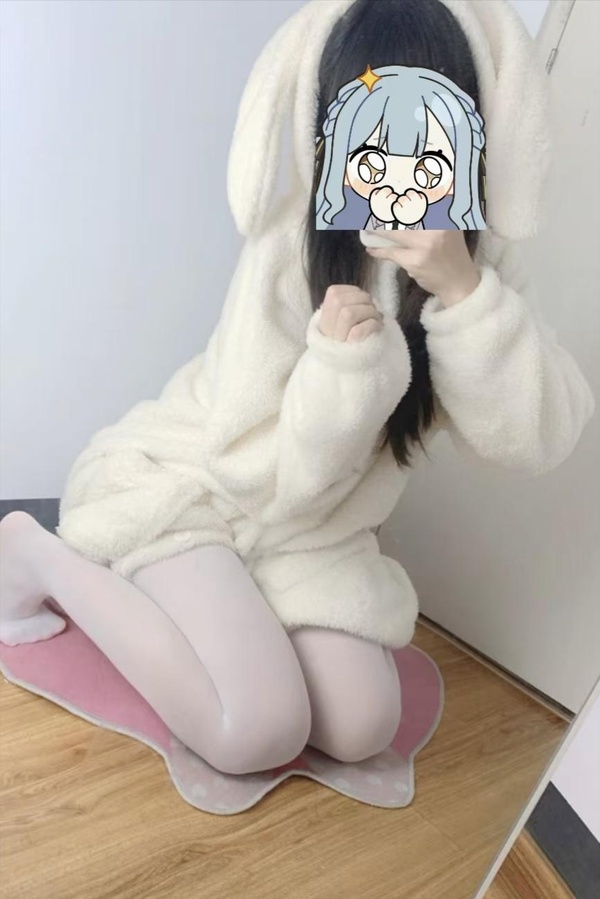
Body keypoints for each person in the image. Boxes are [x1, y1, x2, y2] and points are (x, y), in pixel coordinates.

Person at [0, 0, 595, 777]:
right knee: (254, 729)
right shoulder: (292, 247)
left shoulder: (477, 265)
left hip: (311, 532)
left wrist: (464, 295)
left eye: (430, 142)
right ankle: (35, 553)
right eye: (371, 141)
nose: (399, 176)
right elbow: (257, 464)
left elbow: (537, 438)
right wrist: (344, 372)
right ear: (331, 136)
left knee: (364, 725)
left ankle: (242, 609)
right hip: (199, 488)